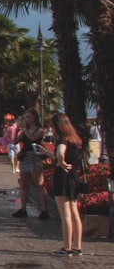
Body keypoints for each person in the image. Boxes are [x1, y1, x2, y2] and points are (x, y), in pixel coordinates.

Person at [49, 113, 85, 256]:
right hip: (73, 176)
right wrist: (48, 153)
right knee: (74, 212)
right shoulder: (75, 139)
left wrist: (60, 161)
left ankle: (67, 247)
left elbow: (60, 153)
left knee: (65, 215)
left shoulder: (62, 139)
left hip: (62, 177)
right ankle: (77, 246)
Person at [13, 108, 50, 220]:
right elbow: (15, 141)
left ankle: (44, 210)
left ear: (34, 117)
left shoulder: (40, 130)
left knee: (39, 184)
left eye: (29, 117)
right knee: (24, 185)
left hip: (35, 157)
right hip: (25, 158)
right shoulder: (25, 131)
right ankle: (23, 209)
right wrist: (16, 130)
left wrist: (24, 130)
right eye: (26, 117)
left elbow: (33, 138)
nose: (27, 119)